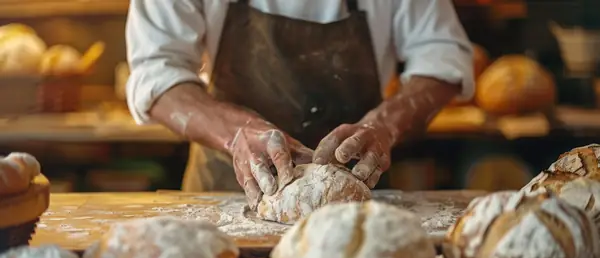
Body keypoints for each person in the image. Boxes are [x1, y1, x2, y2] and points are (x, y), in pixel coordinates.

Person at [126, 0, 474, 209]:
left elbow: (442, 56)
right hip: (225, 196)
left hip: (357, 191)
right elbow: (155, 70)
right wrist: (236, 134)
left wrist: (384, 125)